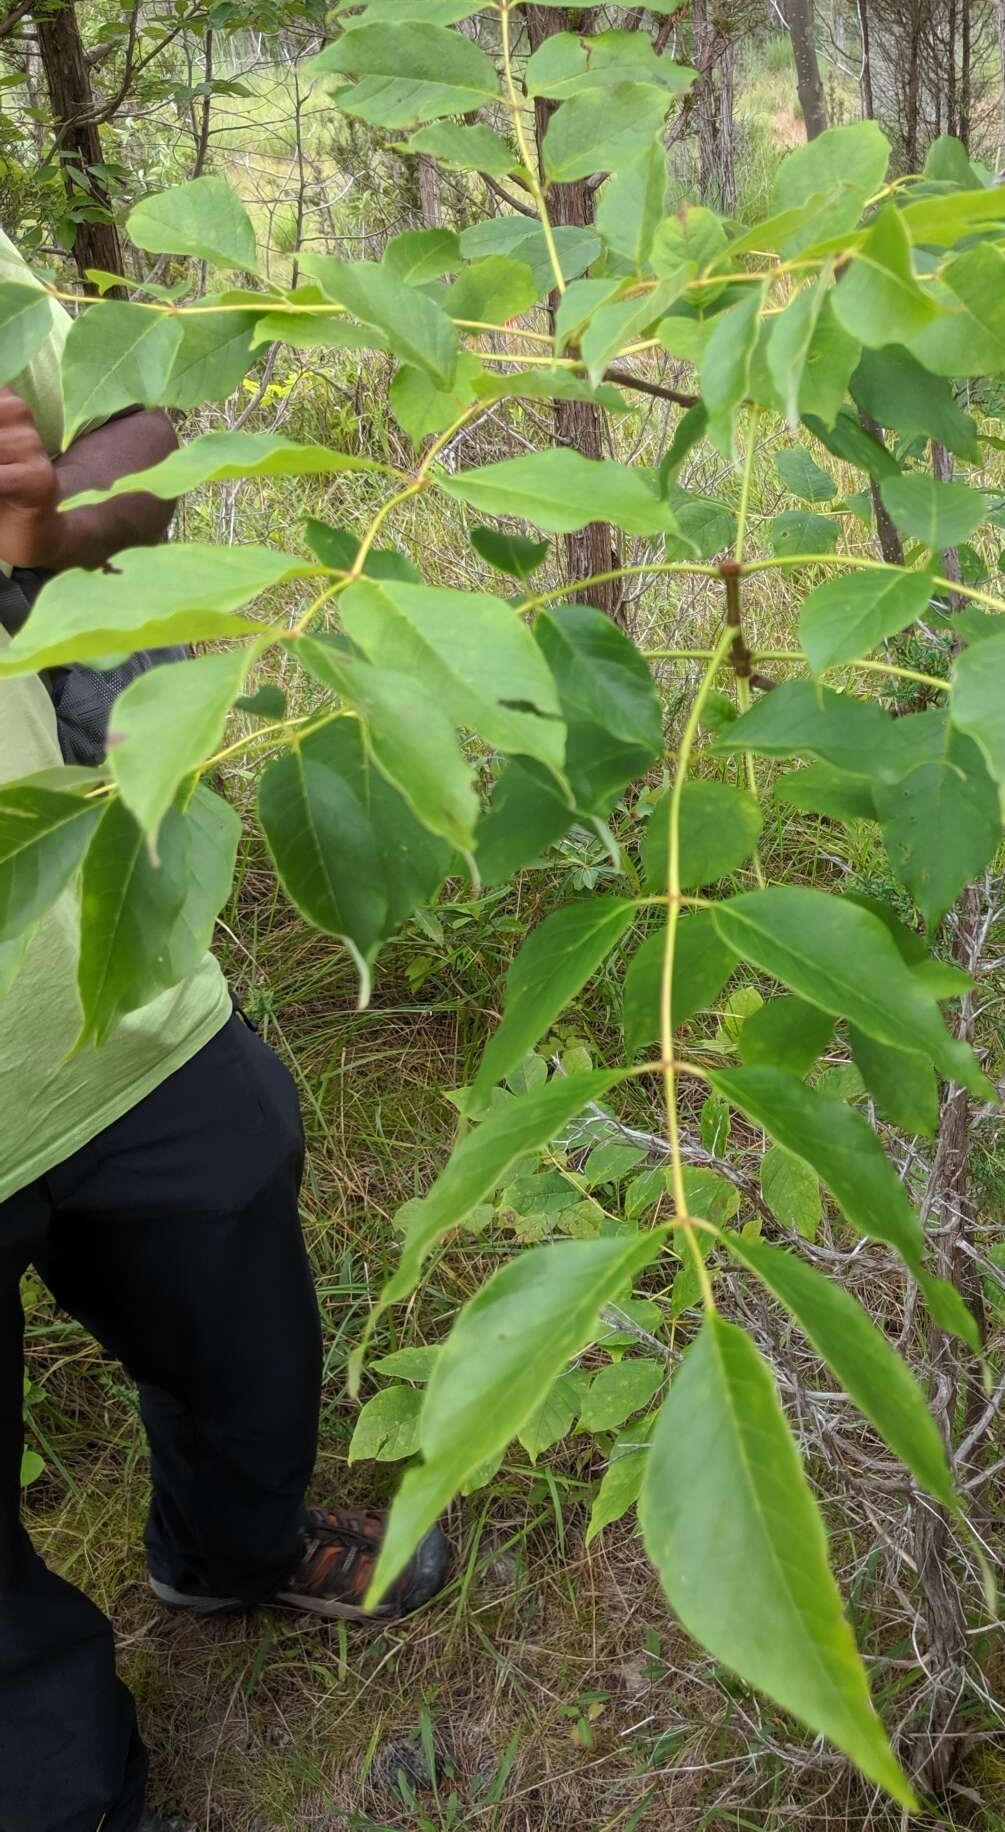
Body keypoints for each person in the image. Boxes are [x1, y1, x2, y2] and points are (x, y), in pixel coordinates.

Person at [0, 235, 451, 1832]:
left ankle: (236, 1551)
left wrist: (44, 519)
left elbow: (137, 414)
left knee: (249, 1345)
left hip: (108, 1002)